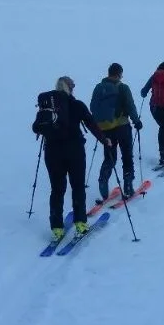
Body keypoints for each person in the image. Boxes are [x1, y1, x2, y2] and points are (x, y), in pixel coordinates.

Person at [36, 76, 112, 241]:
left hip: (52, 153)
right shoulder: (77, 105)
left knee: (57, 189)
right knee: (77, 187)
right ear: (70, 88)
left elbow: (38, 128)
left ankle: (56, 228)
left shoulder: (47, 107)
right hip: (74, 152)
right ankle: (80, 224)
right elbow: (91, 124)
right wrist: (105, 140)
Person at [90, 62, 143, 201]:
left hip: (105, 128)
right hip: (122, 126)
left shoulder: (98, 88)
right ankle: (128, 185)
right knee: (127, 155)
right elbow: (130, 106)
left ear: (108, 73)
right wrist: (136, 121)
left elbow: (92, 107)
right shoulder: (123, 87)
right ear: (119, 74)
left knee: (109, 157)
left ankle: (103, 178)